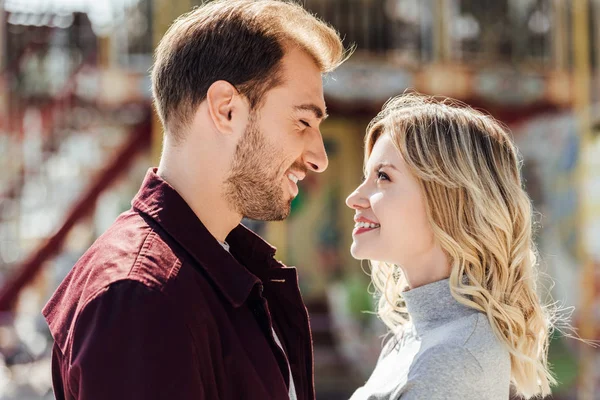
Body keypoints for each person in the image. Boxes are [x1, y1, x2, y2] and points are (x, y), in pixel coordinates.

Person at [42, 1, 348, 398]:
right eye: (303, 122)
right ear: (226, 110)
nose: (319, 158)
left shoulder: (211, 273)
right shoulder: (142, 299)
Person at [346, 93, 555, 400]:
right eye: (367, 176)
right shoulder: (412, 337)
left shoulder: (452, 357)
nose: (354, 198)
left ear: (448, 200)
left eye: (382, 177)